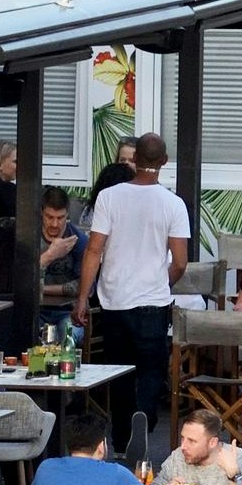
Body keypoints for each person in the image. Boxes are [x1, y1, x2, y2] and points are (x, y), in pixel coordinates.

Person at [82, 132, 190, 445]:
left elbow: (93, 251)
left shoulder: (109, 197)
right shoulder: (173, 204)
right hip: (153, 302)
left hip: (114, 301)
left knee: (119, 374)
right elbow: (180, 262)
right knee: (150, 371)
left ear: (135, 161)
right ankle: (143, 422)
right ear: (164, 162)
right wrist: (161, 282)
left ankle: (120, 440)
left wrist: (80, 298)